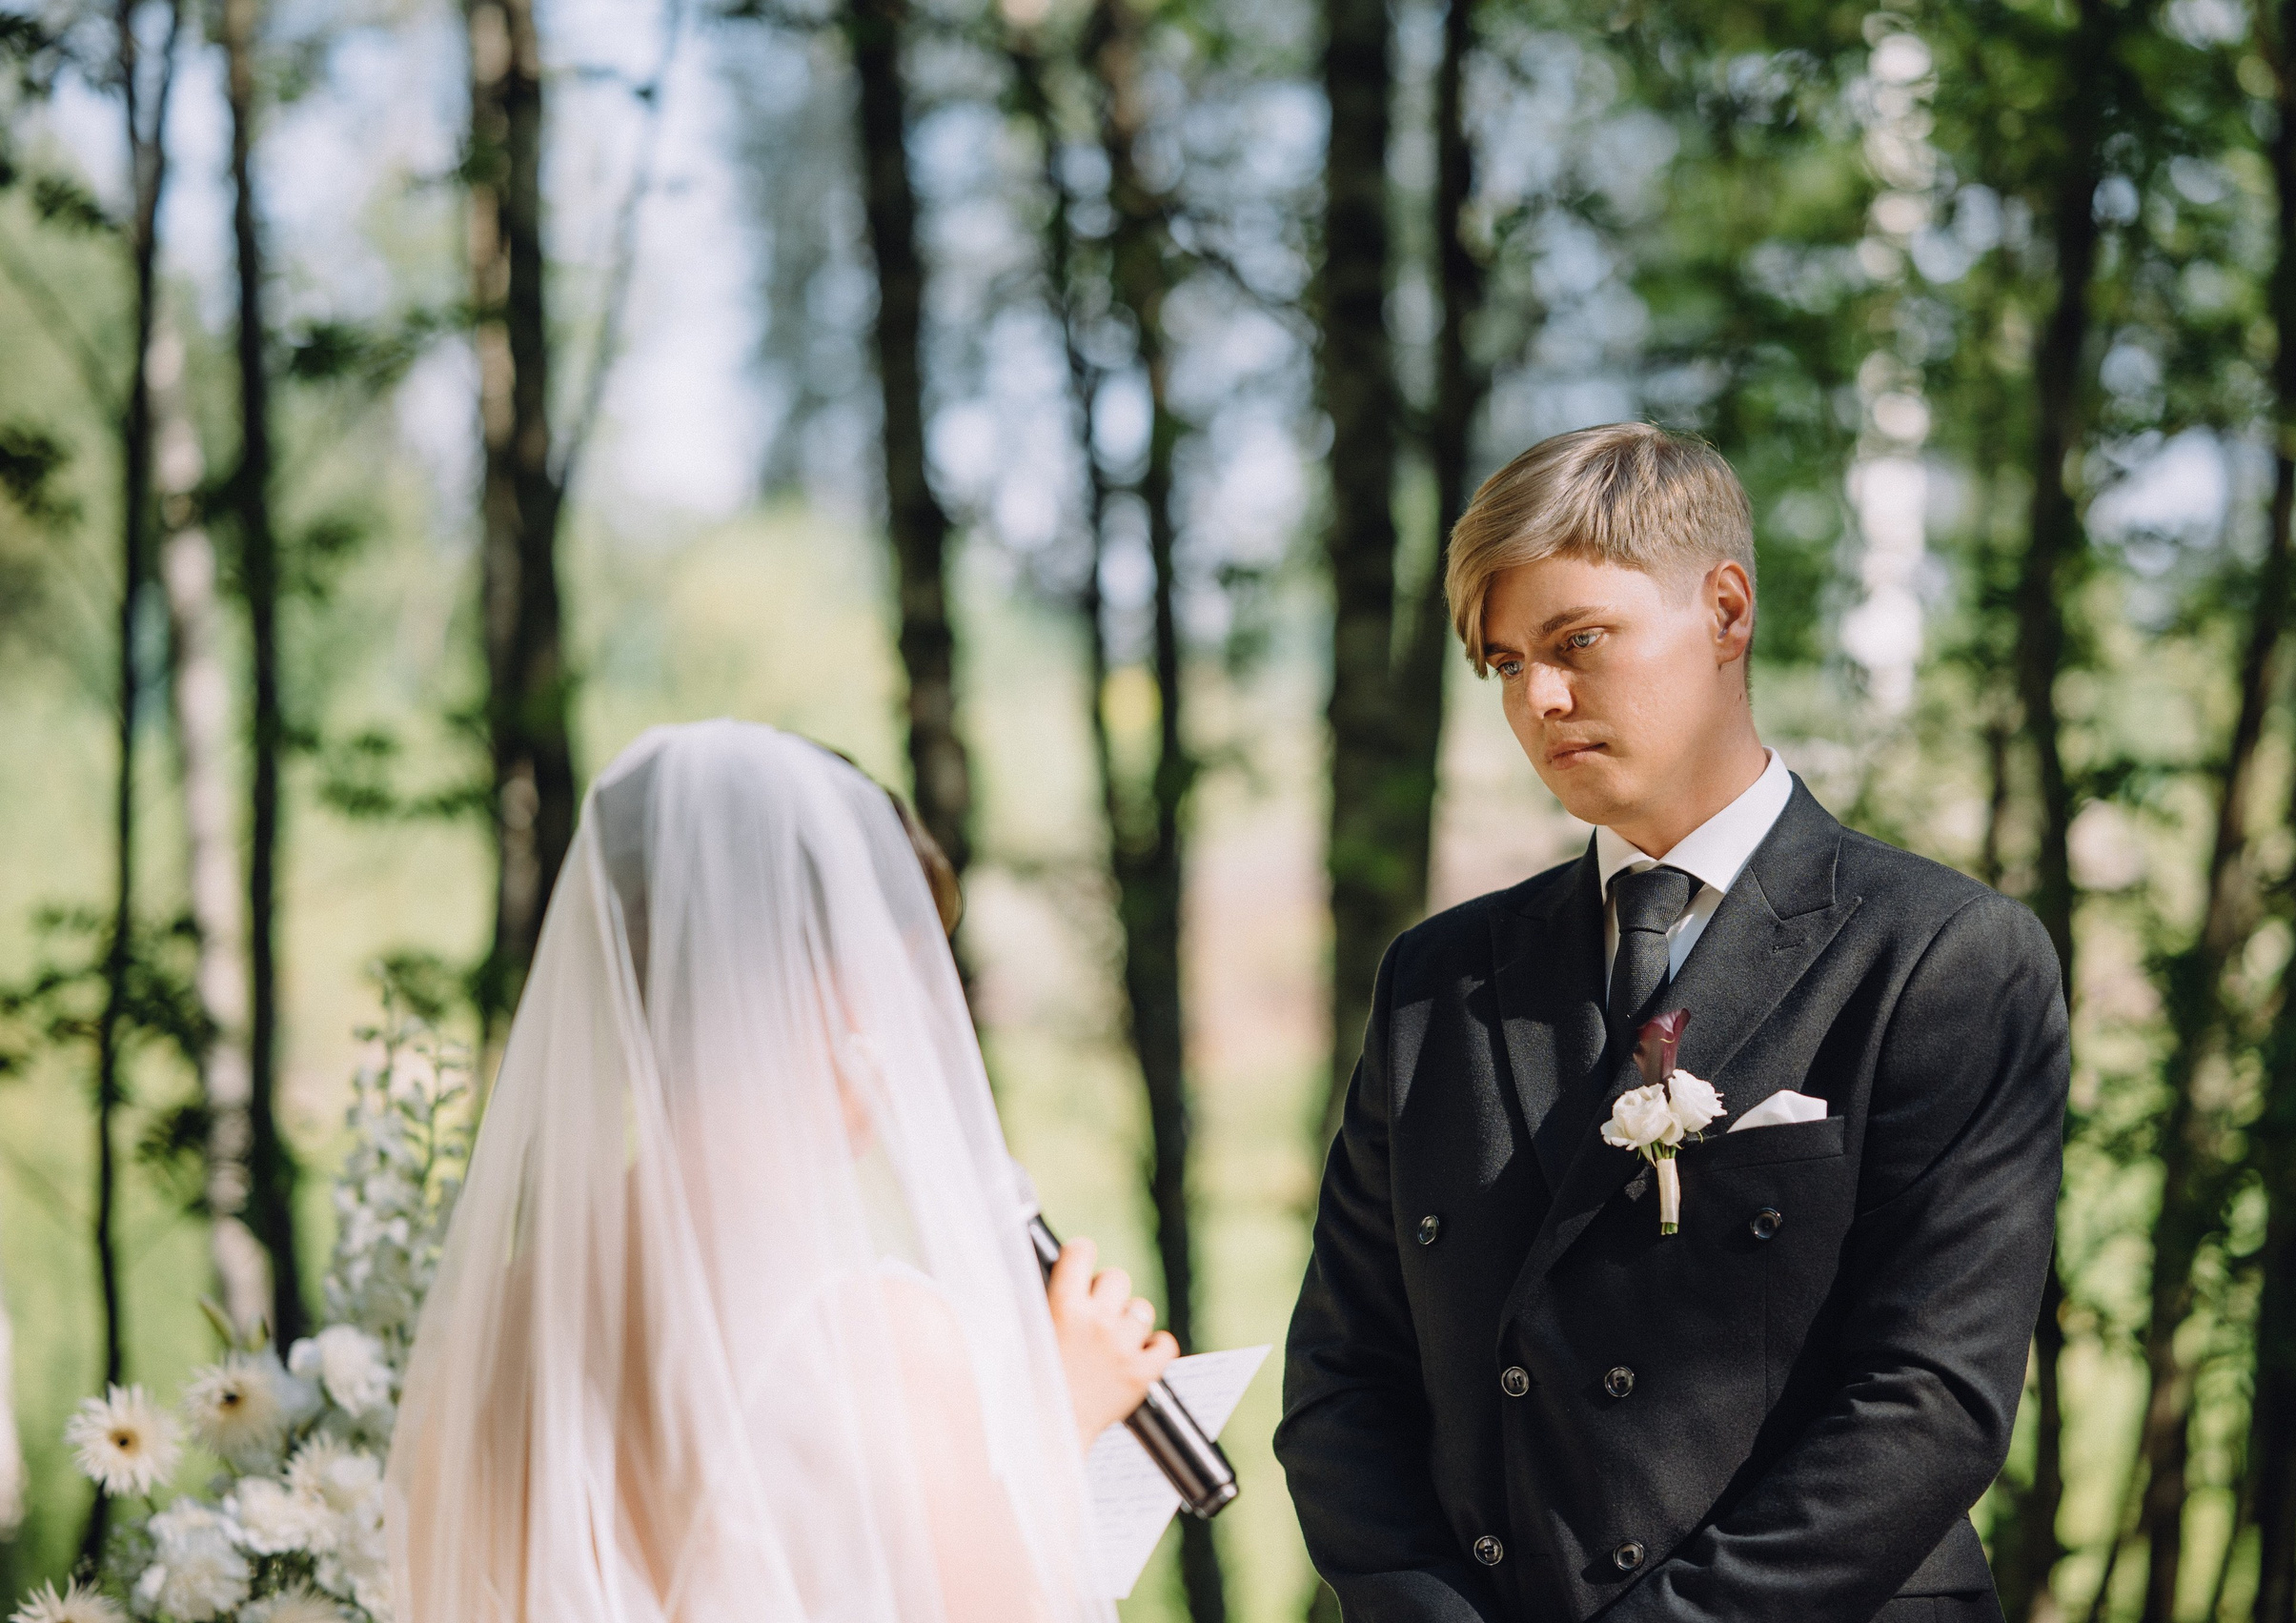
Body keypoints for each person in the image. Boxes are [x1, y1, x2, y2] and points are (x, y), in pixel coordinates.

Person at [1276, 423, 2069, 1623]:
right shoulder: (1436, 982)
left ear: (1727, 610)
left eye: (1576, 641)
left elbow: (1928, 1397)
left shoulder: (1942, 956)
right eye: (1502, 664)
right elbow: (1343, 1381)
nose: (1538, 697)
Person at [387, 720, 1175, 1622]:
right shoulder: (877, 1341)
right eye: (900, 973)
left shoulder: (495, 1332)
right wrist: (1059, 1424)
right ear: (825, 988)